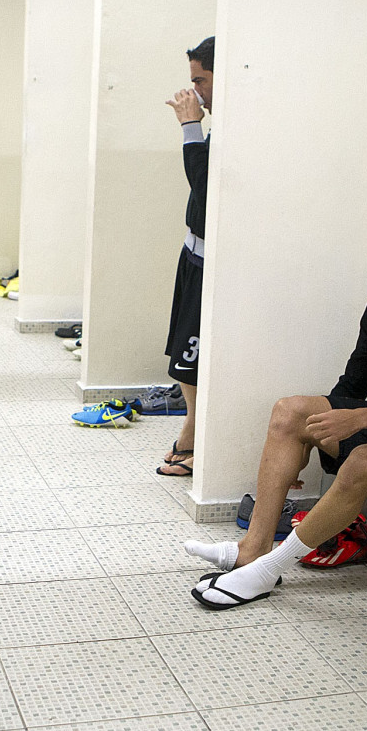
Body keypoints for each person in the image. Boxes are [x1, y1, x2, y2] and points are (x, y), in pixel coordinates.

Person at [183, 212, 367, 609]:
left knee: (365, 461)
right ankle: (254, 549)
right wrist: (315, 436)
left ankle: (268, 571)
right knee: (290, 412)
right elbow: (353, 384)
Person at [156, 36, 214, 477]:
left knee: (192, 355)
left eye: (201, 80)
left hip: (212, 258)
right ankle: (192, 429)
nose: (194, 91)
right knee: (182, 351)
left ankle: (195, 437)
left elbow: (206, 187)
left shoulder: (236, 127)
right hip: (192, 252)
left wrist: (189, 126)